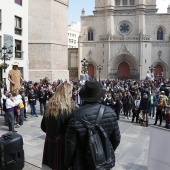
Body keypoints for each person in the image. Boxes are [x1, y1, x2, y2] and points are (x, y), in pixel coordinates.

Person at [65, 80, 121, 170]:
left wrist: (68, 164)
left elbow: (70, 145)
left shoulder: (75, 115)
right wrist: (103, 151)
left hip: (82, 163)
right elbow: (116, 139)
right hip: (103, 164)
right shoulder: (111, 112)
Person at [41, 82, 73, 170]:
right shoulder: (70, 110)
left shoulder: (49, 107)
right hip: (62, 146)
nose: (71, 95)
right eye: (70, 92)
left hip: (50, 143)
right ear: (66, 94)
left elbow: (43, 127)